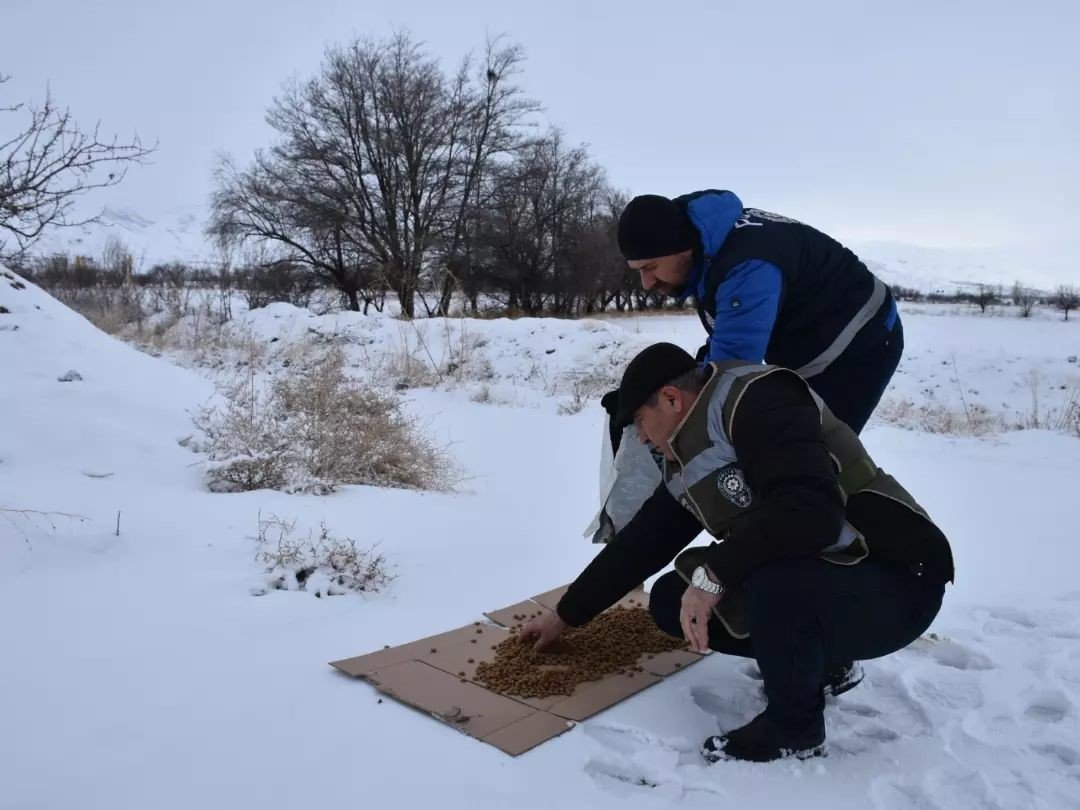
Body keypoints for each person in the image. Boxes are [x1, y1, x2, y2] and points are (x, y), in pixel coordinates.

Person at [523, 343, 954, 763]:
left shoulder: (759, 400)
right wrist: (566, 614)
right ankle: (825, 665)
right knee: (672, 599)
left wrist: (713, 576)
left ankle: (795, 728)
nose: (641, 436)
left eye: (639, 421)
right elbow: (642, 543)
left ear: (671, 399)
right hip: (828, 578)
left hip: (898, 580)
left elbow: (812, 513)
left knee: (770, 582)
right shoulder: (687, 456)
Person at [614, 190, 902, 434]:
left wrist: (665, 413)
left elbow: (729, 371)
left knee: (814, 452)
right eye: (638, 271)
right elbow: (724, 344)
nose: (646, 283)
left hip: (862, 338)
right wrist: (646, 396)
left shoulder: (747, 266)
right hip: (811, 337)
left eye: (650, 267)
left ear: (682, 250)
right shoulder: (710, 245)